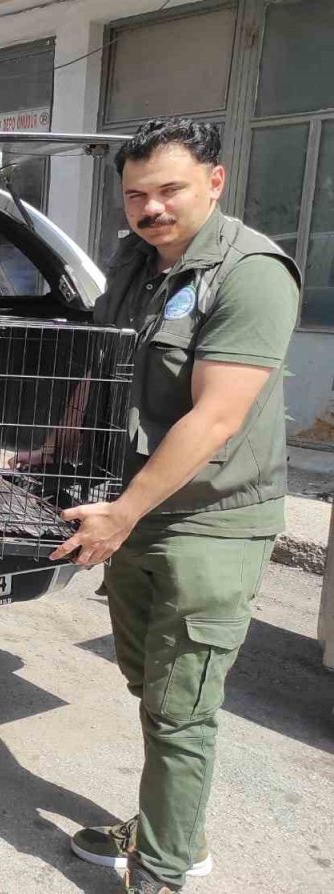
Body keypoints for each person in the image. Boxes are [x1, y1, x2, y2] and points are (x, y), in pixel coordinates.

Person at [48, 118, 300, 893]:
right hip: (138, 507)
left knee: (181, 707)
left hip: (209, 523)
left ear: (214, 182)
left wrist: (121, 513)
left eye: (169, 190)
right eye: (136, 195)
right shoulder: (135, 259)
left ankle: (164, 869)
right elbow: (107, 361)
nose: (151, 208)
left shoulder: (251, 272)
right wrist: (61, 444)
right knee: (152, 689)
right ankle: (169, 822)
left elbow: (215, 418)